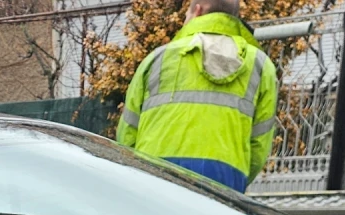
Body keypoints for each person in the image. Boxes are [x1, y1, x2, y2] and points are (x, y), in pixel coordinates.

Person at [115, 0, 279, 193]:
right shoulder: (261, 66)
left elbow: (127, 134)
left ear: (197, 11)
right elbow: (259, 144)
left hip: (152, 178)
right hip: (225, 181)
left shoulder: (158, 59)